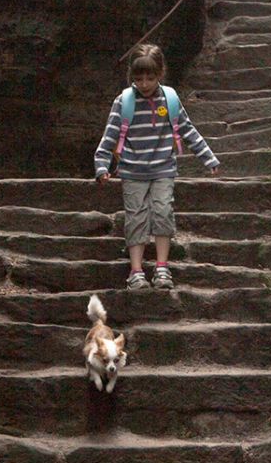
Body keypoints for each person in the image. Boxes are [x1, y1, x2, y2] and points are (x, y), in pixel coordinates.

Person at [94, 44, 220, 290]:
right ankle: (136, 270)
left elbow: (187, 129)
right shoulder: (124, 102)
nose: (144, 83)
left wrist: (208, 157)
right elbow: (109, 137)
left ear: (160, 73)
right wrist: (101, 165)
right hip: (132, 170)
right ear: (131, 75)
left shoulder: (169, 100)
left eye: (150, 78)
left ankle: (162, 267)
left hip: (163, 168)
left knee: (163, 212)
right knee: (136, 217)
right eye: (138, 78)